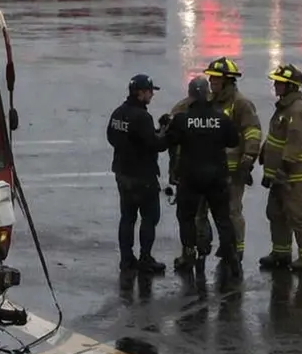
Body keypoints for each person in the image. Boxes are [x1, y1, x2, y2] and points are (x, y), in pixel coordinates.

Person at [164, 58, 263, 258]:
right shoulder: (206, 100)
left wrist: (249, 158)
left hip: (233, 171)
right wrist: (170, 120)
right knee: (200, 213)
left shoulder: (241, 104)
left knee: (231, 212)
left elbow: (252, 131)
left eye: (216, 79)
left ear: (228, 81)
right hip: (208, 170)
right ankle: (202, 247)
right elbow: (182, 110)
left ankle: (235, 252)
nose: (212, 82)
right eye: (211, 79)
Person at [163, 76, 241, 274]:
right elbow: (233, 141)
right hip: (216, 176)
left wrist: (166, 126)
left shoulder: (182, 119)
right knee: (222, 218)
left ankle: (189, 254)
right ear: (207, 94)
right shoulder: (221, 117)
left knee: (187, 217)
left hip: (190, 177)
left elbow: (168, 142)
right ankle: (232, 258)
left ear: (190, 96)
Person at [259, 64, 302, 271]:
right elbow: (277, 137)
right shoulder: (285, 108)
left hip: (295, 177)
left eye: (279, 83)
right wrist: (264, 154)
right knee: (276, 213)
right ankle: (281, 253)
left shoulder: (296, 110)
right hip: (280, 176)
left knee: (298, 216)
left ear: (290, 87)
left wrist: (283, 170)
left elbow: (295, 143)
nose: (275, 86)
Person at [107, 73, 169, 273]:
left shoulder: (118, 113)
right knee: (150, 218)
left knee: (127, 217)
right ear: (141, 93)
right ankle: (145, 258)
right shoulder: (142, 117)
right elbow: (155, 144)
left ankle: (126, 259)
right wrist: (167, 133)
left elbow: (111, 137)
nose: (152, 95)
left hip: (123, 173)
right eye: (150, 91)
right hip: (143, 176)